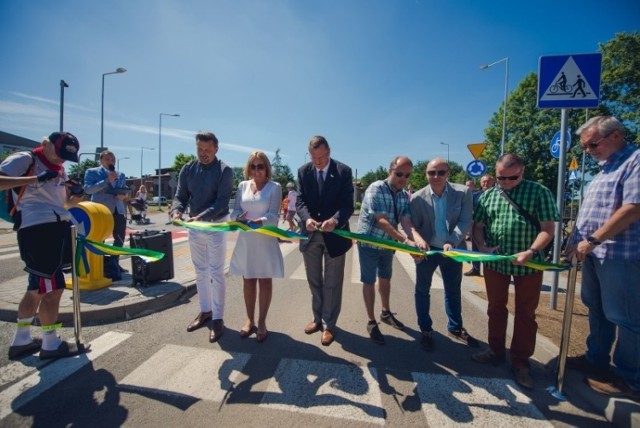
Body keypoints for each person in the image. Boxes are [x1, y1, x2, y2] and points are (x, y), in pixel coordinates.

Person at [565, 116, 640, 401]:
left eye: (592, 144)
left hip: (621, 254)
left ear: (617, 136)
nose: (588, 150)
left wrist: (594, 239)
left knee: (628, 318)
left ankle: (629, 377)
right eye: (584, 146)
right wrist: (576, 243)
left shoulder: (635, 161)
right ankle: (596, 359)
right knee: (596, 309)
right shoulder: (604, 169)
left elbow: (633, 207)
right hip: (595, 255)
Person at [470, 153, 559, 389]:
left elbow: (548, 228)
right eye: (501, 178)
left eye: (512, 178)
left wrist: (531, 250)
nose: (506, 182)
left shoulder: (539, 192)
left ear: (522, 172)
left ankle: (521, 362)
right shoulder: (488, 195)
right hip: (496, 263)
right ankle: (496, 350)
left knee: (525, 313)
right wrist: (481, 246)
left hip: (529, 264)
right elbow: (477, 226)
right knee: (496, 307)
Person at [1, 132, 86, 360]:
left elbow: (62, 204)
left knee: (36, 288)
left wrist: (76, 195)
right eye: (59, 154)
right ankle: (50, 345)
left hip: (56, 229)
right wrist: (35, 178)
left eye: (66, 158)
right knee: (53, 288)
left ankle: (21, 340)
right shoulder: (24, 159)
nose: (61, 161)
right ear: (45, 144)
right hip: (38, 231)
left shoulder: (59, 169)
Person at [170, 131, 233, 343]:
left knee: (216, 271)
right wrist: (176, 211)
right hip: (195, 226)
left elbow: (222, 203)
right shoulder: (188, 169)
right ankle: (205, 311)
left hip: (216, 225)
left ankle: (218, 318)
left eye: (207, 150)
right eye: (199, 149)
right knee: (200, 270)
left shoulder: (225, 170)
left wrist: (201, 216)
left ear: (216, 148)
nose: (203, 153)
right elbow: (180, 196)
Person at [410, 158, 478, 352]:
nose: (436, 176)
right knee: (422, 290)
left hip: (453, 249)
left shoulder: (463, 193)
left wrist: (452, 241)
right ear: (426, 174)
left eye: (441, 172)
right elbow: (411, 225)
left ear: (449, 173)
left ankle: (455, 328)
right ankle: (425, 330)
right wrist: (416, 244)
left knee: (453, 290)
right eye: (432, 172)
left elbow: (465, 220)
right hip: (428, 250)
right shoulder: (416, 198)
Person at [356, 156, 426, 344]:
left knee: (385, 278)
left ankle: (385, 312)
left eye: (407, 175)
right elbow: (382, 220)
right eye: (399, 174)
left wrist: (415, 242)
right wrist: (405, 241)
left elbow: (406, 221)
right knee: (369, 281)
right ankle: (371, 321)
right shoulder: (376, 188)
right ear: (390, 171)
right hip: (369, 244)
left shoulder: (403, 195)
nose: (403, 178)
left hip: (388, 245)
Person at [296, 135, 354, 346]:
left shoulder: (343, 171)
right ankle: (316, 318)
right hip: (310, 233)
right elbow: (300, 200)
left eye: (321, 157)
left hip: (334, 235)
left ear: (329, 152)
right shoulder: (304, 171)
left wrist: (335, 220)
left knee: (332, 282)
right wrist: (307, 218)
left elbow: (348, 204)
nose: (317, 161)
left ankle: (329, 325)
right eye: (313, 157)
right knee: (314, 281)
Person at [229, 152, 284, 342]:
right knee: (248, 280)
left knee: (265, 282)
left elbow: (274, 216)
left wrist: (258, 222)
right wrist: (238, 218)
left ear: (267, 168)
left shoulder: (275, 187)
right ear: (248, 168)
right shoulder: (242, 185)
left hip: (264, 240)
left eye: (260, 166)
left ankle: (262, 322)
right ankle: (249, 319)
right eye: (253, 166)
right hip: (247, 241)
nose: (256, 170)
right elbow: (235, 210)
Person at [84, 150, 129, 273]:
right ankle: (100, 266)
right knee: (100, 238)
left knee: (119, 238)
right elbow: (88, 190)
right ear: (101, 160)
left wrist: (123, 196)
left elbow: (124, 190)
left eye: (113, 159)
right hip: (101, 211)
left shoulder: (121, 174)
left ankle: (114, 264)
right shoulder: (92, 172)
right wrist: (106, 181)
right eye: (108, 159)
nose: (111, 162)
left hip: (118, 210)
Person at [465, 174, 495, 276]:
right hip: (476, 226)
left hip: (491, 228)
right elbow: (469, 208)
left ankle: (491, 269)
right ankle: (475, 269)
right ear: (480, 183)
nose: (485, 183)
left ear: (493, 182)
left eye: (488, 181)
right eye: (483, 181)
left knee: (491, 247)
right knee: (475, 248)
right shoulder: (475, 195)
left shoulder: (497, 195)